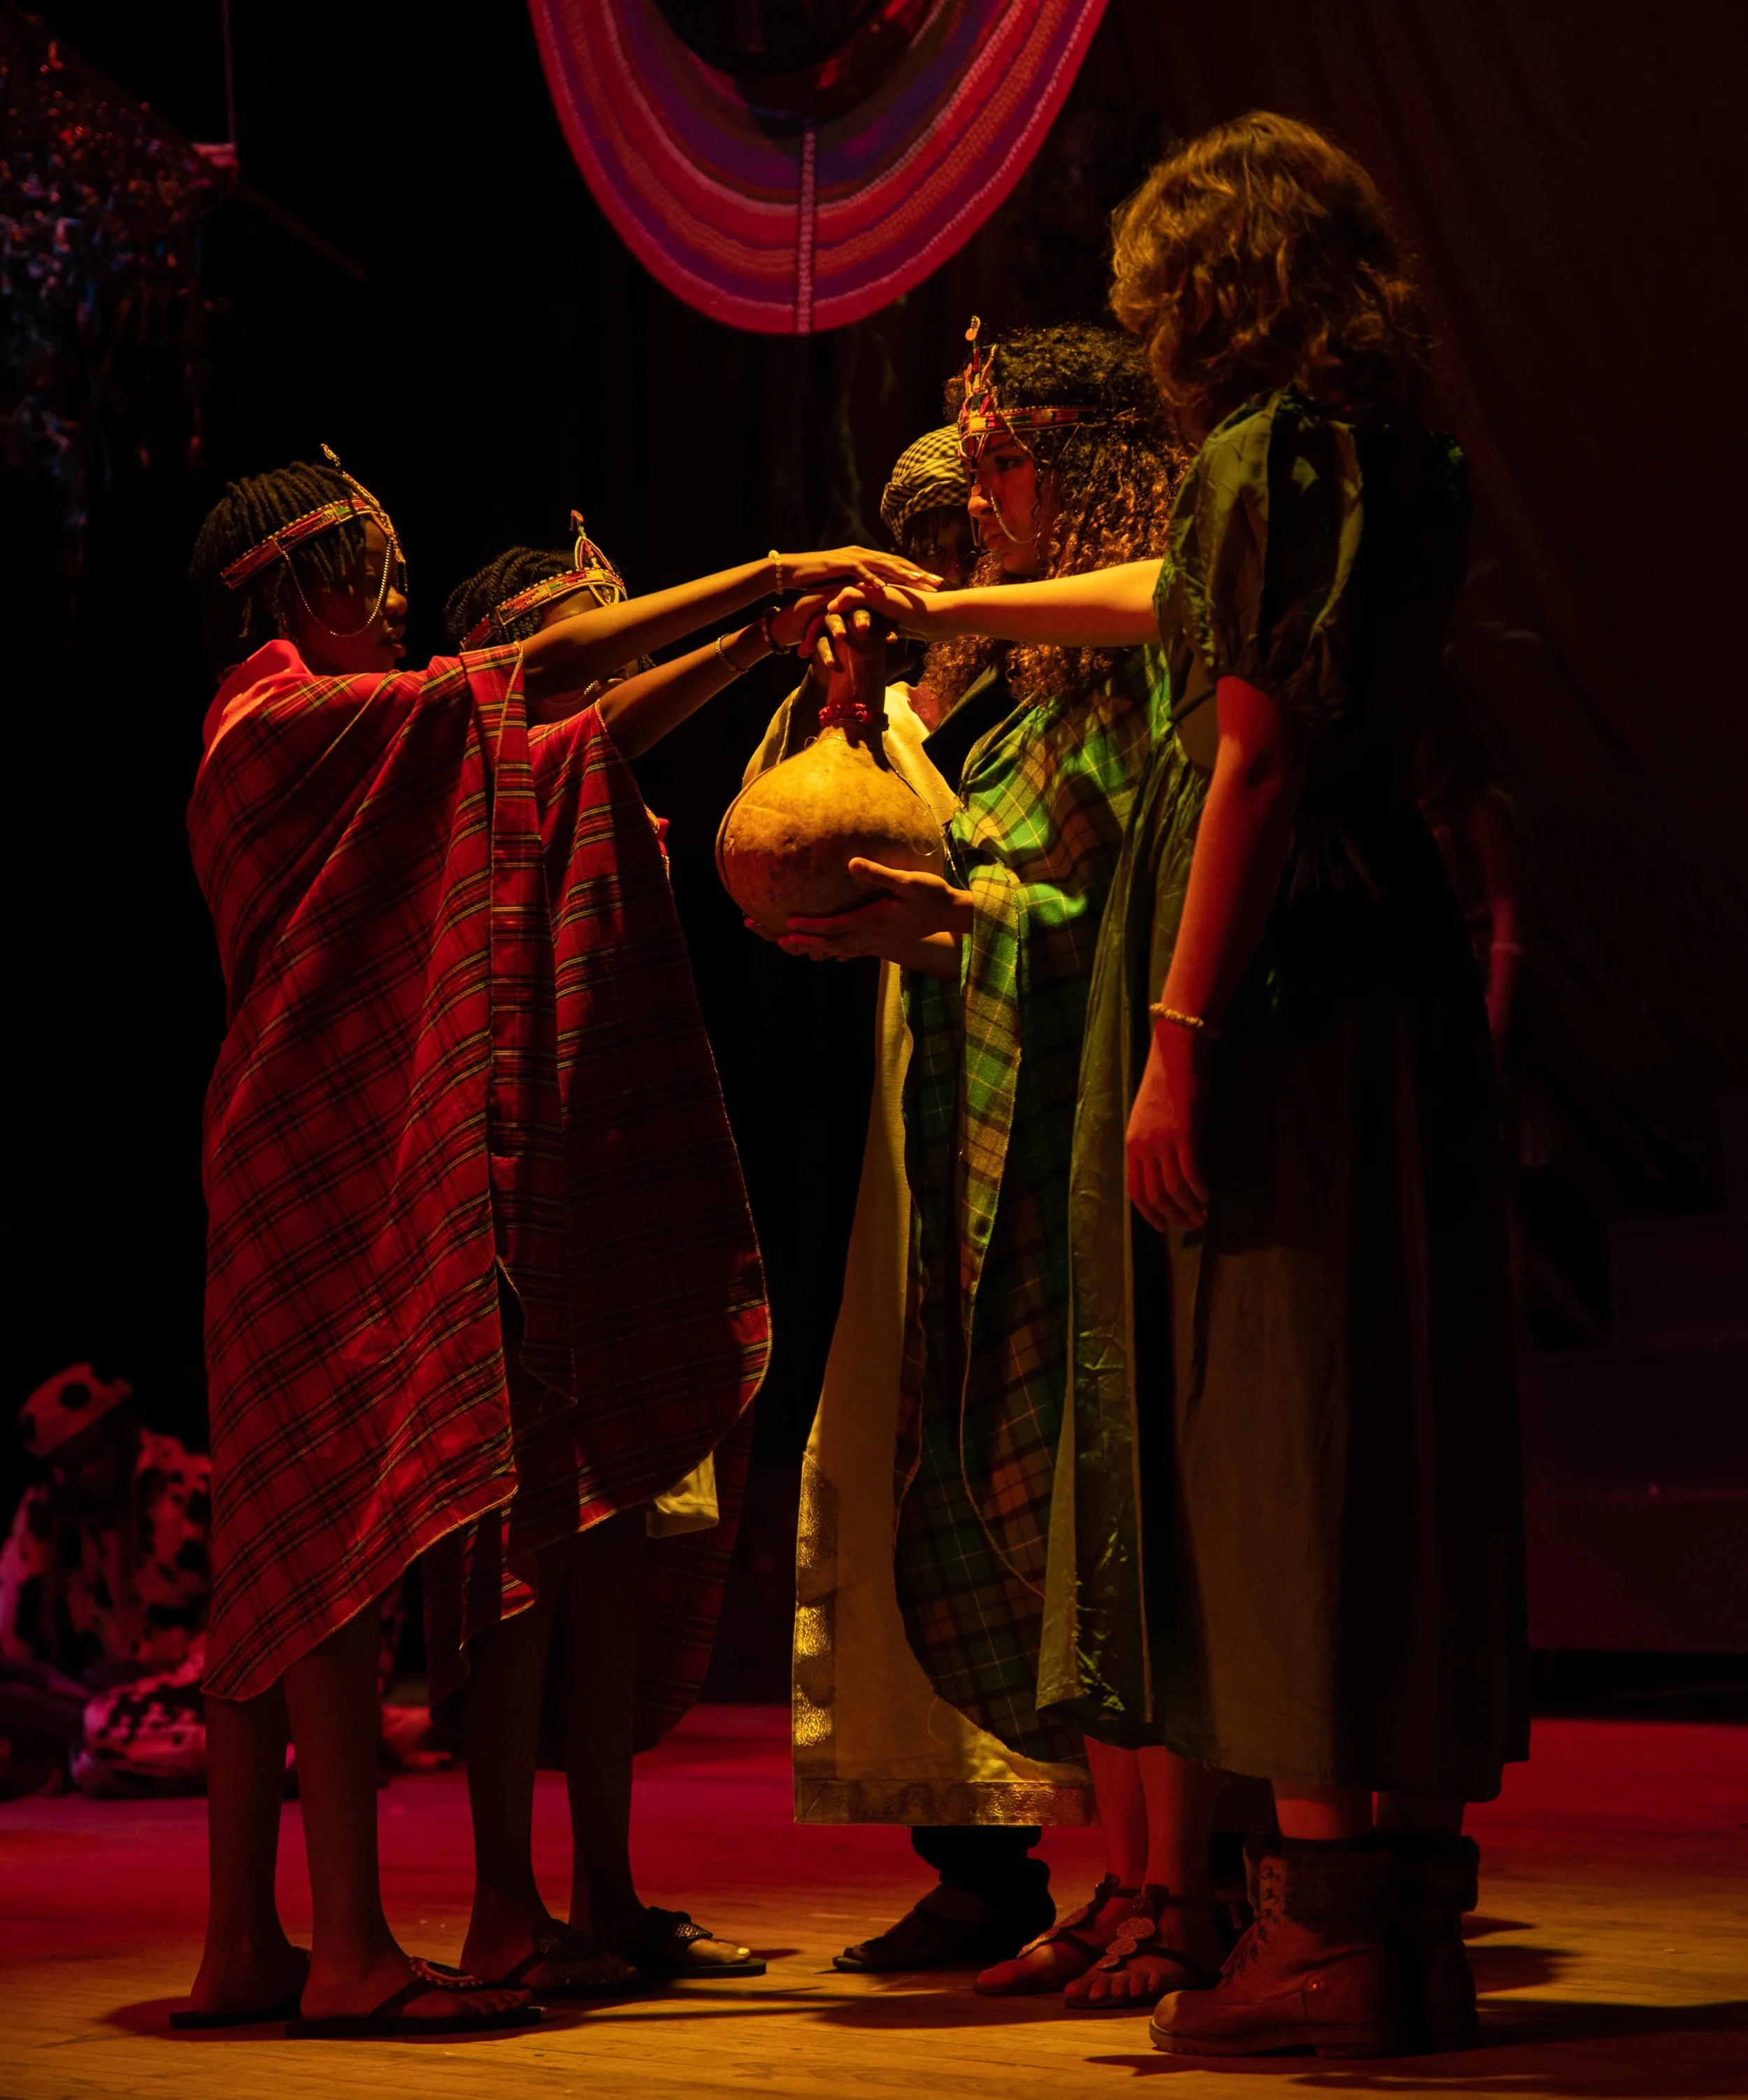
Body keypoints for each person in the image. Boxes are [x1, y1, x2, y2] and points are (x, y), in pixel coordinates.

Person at [837, 112, 1530, 2056]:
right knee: (1379, 1405)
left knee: (1272, 1417)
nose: (1144, 335)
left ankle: (1314, 1932)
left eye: (1157, 301)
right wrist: (963, 613)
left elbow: (1245, 755)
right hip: (1379, 950)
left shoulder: (1251, 454)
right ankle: (1405, 1921)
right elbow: (1189, 612)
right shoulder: (1402, 451)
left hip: (1279, 967)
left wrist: (1172, 1045)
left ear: (1211, 295)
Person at [182, 449, 930, 2036]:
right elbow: (532, 686)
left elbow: (563, 726)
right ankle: (351, 1956)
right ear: (309, 590)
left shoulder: (346, 735)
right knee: (309, 1568)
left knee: (281, 1561)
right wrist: (763, 584)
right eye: (375, 575)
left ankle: (248, 1947)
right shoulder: (282, 725)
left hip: (308, 1156)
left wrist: (743, 643)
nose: (395, 599)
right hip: (309, 1161)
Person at [769, 327, 1192, 1999]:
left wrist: (956, 916)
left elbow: (1106, 894)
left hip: (1113, 1132)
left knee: (1119, 1498)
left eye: (1006, 462)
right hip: (990, 1131)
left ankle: (1179, 1883)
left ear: (1080, 462)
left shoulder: (1135, 642)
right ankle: (1131, 1880)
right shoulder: (1024, 687)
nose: (988, 502)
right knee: (1035, 1493)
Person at [437, 517, 861, 1991]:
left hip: (610, 1182)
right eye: (593, 624)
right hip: (516, 1190)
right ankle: (504, 1902)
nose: (624, 640)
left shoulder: (598, 784)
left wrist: (760, 645)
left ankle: (604, 1894)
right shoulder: (478, 751)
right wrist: (756, 608)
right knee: (527, 1560)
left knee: (611, 1543)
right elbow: (596, 707)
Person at [753, 430, 1065, 1974]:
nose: (958, 555)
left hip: (1035, 1067)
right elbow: (779, 848)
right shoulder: (872, 699)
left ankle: (1200, 1848)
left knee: (1056, 1447)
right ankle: (978, 1851)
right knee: (898, 1435)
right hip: (905, 1097)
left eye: (977, 521)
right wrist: (834, 692)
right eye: (928, 536)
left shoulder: (1060, 661)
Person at [0, 1365, 209, 1799]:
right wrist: (45, 1685)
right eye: (66, 1467)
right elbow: (10, 1642)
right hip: (96, 1698)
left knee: (101, 1725)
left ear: (127, 1436)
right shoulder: (48, 1510)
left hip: (199, 1694)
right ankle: (93, 1755)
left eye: (93, 1459)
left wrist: (144, 1688)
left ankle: (261, 1761)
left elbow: (244, 1641)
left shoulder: (200, 1487)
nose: (82, 1478)